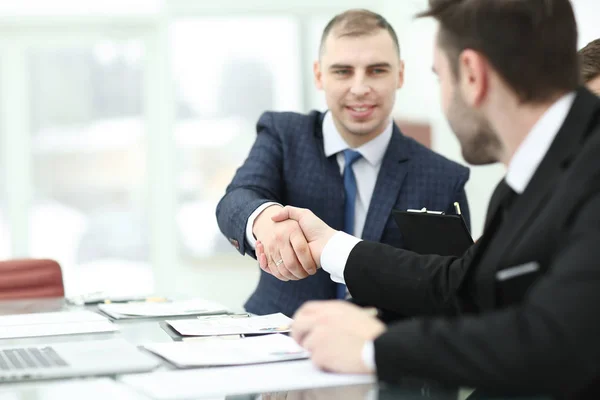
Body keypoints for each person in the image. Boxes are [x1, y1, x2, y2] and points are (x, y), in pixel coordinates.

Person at [256, 0, 600, 397]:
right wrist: (331, 245)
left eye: (439, 77)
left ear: (471, 75)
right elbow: (460, 285)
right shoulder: (526, 182)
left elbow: (554, 341)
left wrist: (374, 348)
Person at [216, 9, 471, 317]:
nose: (360, 88)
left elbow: (453, 289)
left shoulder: (443, 178)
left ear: (400, 74)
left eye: (377, 70)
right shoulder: (284, 135)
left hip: (379, 349)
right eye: (343, 71)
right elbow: (237, 199)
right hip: (279, 334)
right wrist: (263, 220)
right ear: (319, 74)